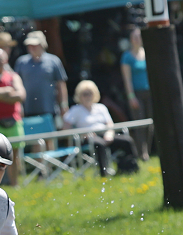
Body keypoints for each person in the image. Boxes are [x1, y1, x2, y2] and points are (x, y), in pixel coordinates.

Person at [63, 80, 137, 176]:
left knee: (127, 140)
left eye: (90, 93)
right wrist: (83, 134)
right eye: (84, 94)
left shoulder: (101, 107)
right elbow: (65, 128)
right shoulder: (75, 110)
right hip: (87, 138)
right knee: (99, 144)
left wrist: (109, 134)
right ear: (79, 95)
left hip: (105, 134)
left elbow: (110, 124)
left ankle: (129, 169)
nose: (87, 97)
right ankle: (104, 173)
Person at [14, 30, 69, 150]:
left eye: (35, 44)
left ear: (42, 44)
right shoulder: (21, 62)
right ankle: (40, 168)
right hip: (28, 109)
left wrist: (63, 105)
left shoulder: (53, 61)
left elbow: (61, 84)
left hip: (48, 108)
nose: (31, 47)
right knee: (35, 142)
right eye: (29, 45)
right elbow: (15, 85)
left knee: (50, 140)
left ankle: (52, 167)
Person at [0, 47, 25, 186]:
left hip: (13, 120)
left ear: (5, 60)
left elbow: (21, 95)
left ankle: (15, 184)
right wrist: (7, 92)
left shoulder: (13, 76)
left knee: (14, 155)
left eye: (0, 59)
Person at [120, 27, 153, 161]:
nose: (137, 39)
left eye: (139, 37)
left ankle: (148, 150)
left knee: (150, 124)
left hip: (149, 92)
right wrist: (131, 96)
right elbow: (127, 79)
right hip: (136, 94)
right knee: (140, 123)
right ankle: (142, 153)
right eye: (134, 37)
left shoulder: (147, 53)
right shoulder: (127, 57)